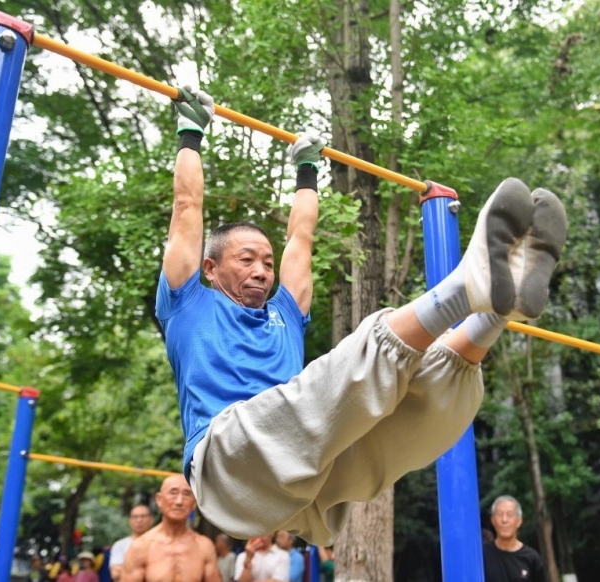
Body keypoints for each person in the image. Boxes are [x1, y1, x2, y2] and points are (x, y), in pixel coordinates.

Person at [158, 87, 567, 545]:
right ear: (210, 268)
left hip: (309, 484)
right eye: (246, 260)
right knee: (342, 371)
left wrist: (307, 171)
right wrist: (190, 135)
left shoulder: (285, 314)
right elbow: (187, 208)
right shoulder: (189, 303)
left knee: (414, 396)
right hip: (230, 467)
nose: (261, 271)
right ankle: (465, 287)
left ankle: (493, 313)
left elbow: (301, 239)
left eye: (267, 263)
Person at [121, 474, 219, 582]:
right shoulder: (141, 547)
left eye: (186, 494)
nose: (179, 501)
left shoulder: (204, 547)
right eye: (173, 493)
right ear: (159, 499)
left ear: (194, 504)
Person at [483, 495, 545, 582]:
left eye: (510, 515)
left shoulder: (531, 558)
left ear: (519, 521)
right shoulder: (482, 555)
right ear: (493, 520)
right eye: (500, 514)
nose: (504, 520)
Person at [109, 505, 154, 581]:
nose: (139, 520)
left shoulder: (161, 544)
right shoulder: (120, 545)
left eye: (143, 516)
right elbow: (116, 573)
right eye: (135, 517)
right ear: (130, 520)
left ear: (151, 519)